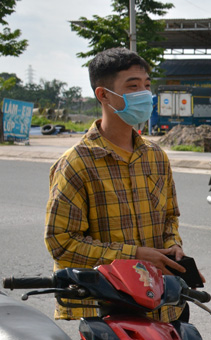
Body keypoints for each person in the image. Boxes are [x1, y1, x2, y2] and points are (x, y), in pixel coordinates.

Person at [45, 47, 192, 322]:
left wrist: (173, 247)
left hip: (164, 301)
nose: (145, 95)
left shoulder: (155, 156)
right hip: (109, 308)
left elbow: (169, 218)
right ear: (103, 95)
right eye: (133, 86)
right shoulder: (77, 163)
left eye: (147, 86)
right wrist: (135, 256)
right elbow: (62, 243)